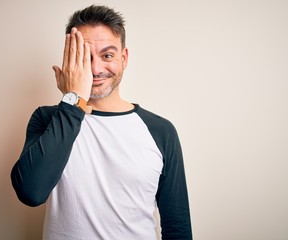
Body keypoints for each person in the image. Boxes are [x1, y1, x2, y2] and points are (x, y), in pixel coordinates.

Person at [11, 4, 192, 240]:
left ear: (124, 58)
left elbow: (177, 226)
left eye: (107, 55)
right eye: (85, 57)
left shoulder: (161, 131)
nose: (96, 69)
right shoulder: (47, 119)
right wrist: (73, 101)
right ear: (70, 60)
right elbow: (31, 193)